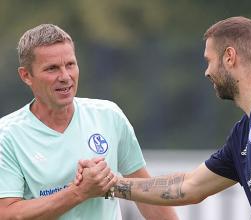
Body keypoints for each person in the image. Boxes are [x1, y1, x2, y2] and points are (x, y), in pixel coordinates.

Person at [76, 16, 251, 220]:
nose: (207, 71)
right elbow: (188, 187)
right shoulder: (242, 135)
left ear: (229, 57)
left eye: (208, 60)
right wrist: (111, 185)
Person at [0, 24, 178, 220]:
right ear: (26, 75)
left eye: (70, 65)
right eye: (52, 69)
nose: (65, 77)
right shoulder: (7, 135)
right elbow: (8, 214)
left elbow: (146, 194)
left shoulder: (109, 115)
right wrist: (79, 192)